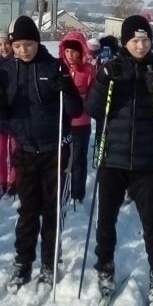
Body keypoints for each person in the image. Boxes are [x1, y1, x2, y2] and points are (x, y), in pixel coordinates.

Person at [85, 15, 153, 305]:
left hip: (146, 159)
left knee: (152, 221)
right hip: (112, 158)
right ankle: (104, 267)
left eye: (145, 40)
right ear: (125, 42)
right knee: (106, 219)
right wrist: (102, 80)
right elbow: (93, 109)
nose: (140, 45)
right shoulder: (112, 69)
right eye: (135, 40)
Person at [0, 16, 81, 289]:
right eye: (17, 46)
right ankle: (23, 261)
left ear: (37, 43)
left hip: (54, 149)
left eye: (28, 44)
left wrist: (68, 90)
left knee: (51, 210)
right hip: (25, 150)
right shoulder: (7, 71)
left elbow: (75, 110)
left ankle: (49, 262)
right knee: (27, 210)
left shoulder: (54, 67)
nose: (23, 50)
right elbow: (5, 114)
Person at [58, 30, 95, 204]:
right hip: (63, 122)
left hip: (81, 122)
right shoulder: (60, 69)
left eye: (74, 51)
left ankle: (77, 194)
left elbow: (93, 94)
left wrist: (80, 97)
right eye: (67, 51)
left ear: (81, 51)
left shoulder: (88, 70)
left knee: (78, 159)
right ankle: (62, 191)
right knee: (62, 159)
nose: (70, 55)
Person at [0, 31, 20, 198]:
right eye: (0, 44)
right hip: (0, 113)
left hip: (16, 112)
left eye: (6, 44)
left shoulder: (18, 62)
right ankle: (2, 181)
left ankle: (13, 181)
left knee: (15, 149)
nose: (3, 47)